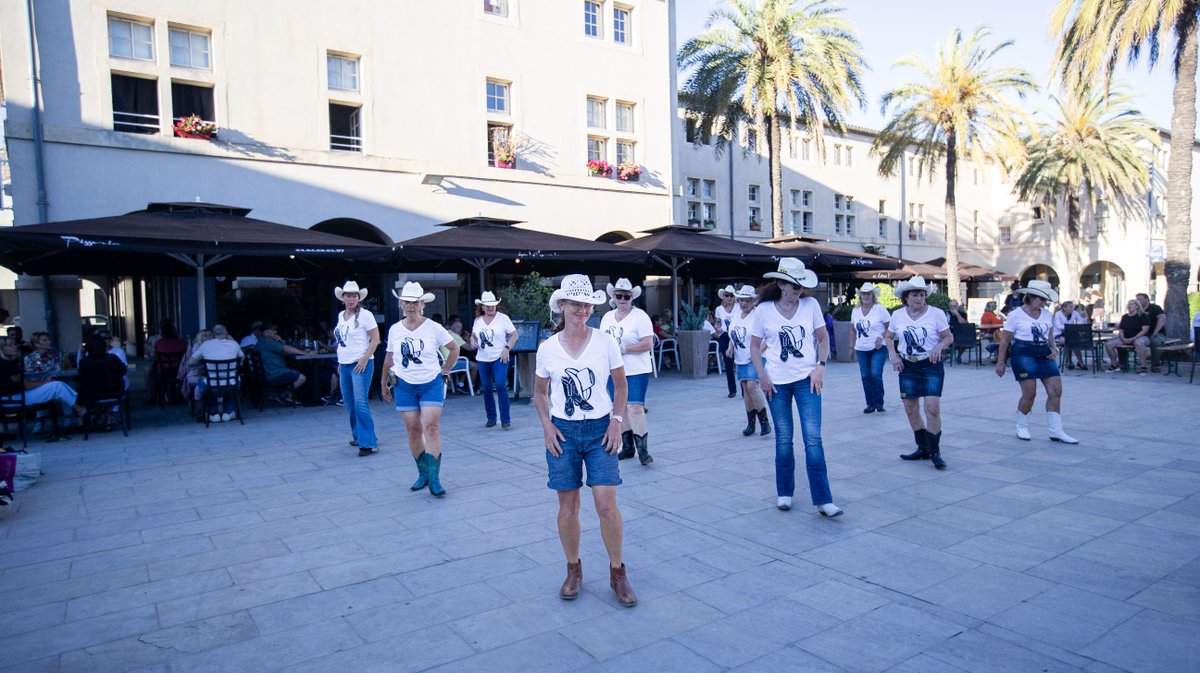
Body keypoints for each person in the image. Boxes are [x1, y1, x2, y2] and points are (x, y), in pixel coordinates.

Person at [534, 274, 636, 607]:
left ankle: (618, 572)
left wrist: (617, 422)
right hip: (563, 431)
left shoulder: (605, 342)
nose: (581, 310)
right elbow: (539, 393)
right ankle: (574, 569)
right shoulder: (547, 348)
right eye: (575, 303)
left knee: (606, 505)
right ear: (561, 306)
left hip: (599, 431)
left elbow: (621, 386)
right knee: (568, 506)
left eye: (586, 304)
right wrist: (547, 425)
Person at [749, 258, 842, 516]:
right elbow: (755, 348)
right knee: (784, 439)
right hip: (776, 382)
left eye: (801, 284)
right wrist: (762, 376)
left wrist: (820, 366)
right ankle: (785, 492)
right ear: (781, 284)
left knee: (813, 439)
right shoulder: (764, 310)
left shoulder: (810, 305)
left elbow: (823, 339)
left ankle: (824, 500)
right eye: (793, 284)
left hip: (807, 380)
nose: (798, 289)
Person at [381, 282, 458, 497]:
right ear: (401, 304)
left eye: (414, 302)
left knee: (431, 428)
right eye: (406, 302)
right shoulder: (395, 329)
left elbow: (454, 348)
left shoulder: (433, 327)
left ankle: (434, 478)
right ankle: (422, 472)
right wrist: (383, 382)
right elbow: (389, 357)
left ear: (422, 304)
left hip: (430, 382)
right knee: (413, 429)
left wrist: (445, 370)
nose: (410, 306)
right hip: (404, 384)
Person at [995, 281, 1078, 443]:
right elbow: (1005, 339)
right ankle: (1022, 426)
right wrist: (1000, 362)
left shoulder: (1047, 314)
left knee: (1056, 390)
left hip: (1044, 352)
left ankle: (1056, 430)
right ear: (1031, 298)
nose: (1044, 303)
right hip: (1023, 352)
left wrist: (1054, 349)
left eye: (1045, 300)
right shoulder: (1015, 315)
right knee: (1030, 392)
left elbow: (1050, 335)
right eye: (1041, 299)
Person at [884, 276, 953, 470]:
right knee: (910, 408)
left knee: (932, 408)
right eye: (915, 295)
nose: (919, 298)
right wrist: (893, 354)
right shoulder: (897, 315)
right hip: (907, 365)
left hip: (931, 364)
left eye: (922, 295)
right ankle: (923, 448)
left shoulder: (936, 314)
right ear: (906, 297)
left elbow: (948, 337)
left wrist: (939, 346)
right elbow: (889, 337)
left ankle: (935, 451)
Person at [600, 278, 654, 465]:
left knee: (635, 407)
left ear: (632, 298)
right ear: (613, 297)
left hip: (636, 369)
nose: (623, 299)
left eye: (626, 296)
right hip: (614, 370)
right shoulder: (607, 317)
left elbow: (648, 343)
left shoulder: (641, 317)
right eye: (619, 295)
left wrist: (623, 349)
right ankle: (628, 447)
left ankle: (643, 450)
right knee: (620, 408)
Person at [332, 281, 381, 455]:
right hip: (345, 364)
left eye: (354, 296)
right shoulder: (341, 315)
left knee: (360, 403)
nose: (351, 298)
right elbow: (343, 341)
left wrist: (364, 359)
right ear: (343, 298)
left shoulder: (365, 315)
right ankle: (359, 436)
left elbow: (375, 339)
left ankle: (368, 442)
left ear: (358, 298)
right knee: (349, 402)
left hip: (361, 363)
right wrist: (340, 362)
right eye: (348, 295)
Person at [1, 335, 86, 422]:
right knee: (57, 386)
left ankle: (69, 415)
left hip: (6, 399)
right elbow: (27, 385)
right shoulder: (8, 364)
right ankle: (80, 410)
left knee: (59, 386)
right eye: (9, 345)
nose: (14, 347)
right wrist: (47, 381)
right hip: (14, 399)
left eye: (14, 344)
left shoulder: (6, 363)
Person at [471, 291, 518, 429]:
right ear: (482, 307)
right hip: (483, 358)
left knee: (500, 385)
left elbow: (514, 335)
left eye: (493, 305)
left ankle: (505, 419)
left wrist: (507, 348)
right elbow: (473, 335)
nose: (491, 307)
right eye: (488, 305)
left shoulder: (503, 318)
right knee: (486, 388)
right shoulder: (478, 320)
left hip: (500, 356)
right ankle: (491, 418)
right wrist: (472, 340)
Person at [727, 284, 769, 436]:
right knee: (745, 389)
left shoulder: (758, 316)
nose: (744, 304)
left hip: (755, 356)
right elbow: (733, 333)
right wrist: (730, 347)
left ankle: (764, 421)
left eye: (747, 301)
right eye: (741, 301)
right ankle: (751, 423)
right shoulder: (736, 315)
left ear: (753, 301)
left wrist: (758, 352)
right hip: (740, 357)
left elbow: (768, 338)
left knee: (752, 386)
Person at [188, 324, 245, 422]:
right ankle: (228, 411)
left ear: (213, 335)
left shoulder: (205, 345)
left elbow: (191, 362)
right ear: (226, 334)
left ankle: (213, 412)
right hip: (232, 384)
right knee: (233, 381)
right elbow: (242, 358)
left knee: (204, 382)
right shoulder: (234, 344)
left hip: (211, 385)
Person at [851, 283, 891, 414]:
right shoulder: (855, 311)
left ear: (873, 296)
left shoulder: (880, 310)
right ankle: (870, 404)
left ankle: (879, 403)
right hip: (861, 348)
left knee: (875, 374)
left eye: (868, 294)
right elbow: (852, 331)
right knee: (865, 376)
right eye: (864, 294)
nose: (866, 296)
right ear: (860, 296)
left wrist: (881, 337)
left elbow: (889, 327)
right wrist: (851, 348)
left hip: (878, 348)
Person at [76, 332, 128, 427]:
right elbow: (123, 371)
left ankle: (91, 416)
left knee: (78, 390)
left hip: (93, 394)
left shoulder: (85, 363)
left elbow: (81, 378)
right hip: (114, 392)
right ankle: (107, 417)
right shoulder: (113, 359)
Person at [257, 323, 310, 404]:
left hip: (269, 372)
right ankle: (283, 395)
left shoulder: (262, 341)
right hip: (275, 373)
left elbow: (285, 351)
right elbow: (287, 349)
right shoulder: (267, 342)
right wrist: (306, 354)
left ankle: (288, 395)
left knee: (297, 370)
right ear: (266, 332)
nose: (275, 332)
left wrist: (281, 340)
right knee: (302, 377)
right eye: (273, 330)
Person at [1104, 300, 1151, 374]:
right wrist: (1123, 338)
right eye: (1128, 305)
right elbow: (1121, 329)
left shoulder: (1143, 316)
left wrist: (1134, 338)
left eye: (1131, 304)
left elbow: (1145, 330)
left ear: (1137, 306)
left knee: (1138, 343)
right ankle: (1114, 364)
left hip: (1140, 337)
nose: (1129, 306)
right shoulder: (1125, 317)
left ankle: (1143, 367)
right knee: (1108, 344)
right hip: (1126, 338)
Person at [714, 285, 738, 398]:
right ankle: (732, 390)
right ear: (723, 297)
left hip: (737, 335)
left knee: (740, 361)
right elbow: (717, 323)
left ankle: (745, 389)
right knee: (728, 364)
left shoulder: (738, 307)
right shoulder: (719, 309)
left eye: (731, 295)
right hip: (725, 335)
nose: (729, 297)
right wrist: (718, 328)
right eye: (727, 295)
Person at [1052, 300, 1088, 370]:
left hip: (1070, 333)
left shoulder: (1074, 313)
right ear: (1064, 308)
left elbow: (1081, 322)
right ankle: (1073, 362)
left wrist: (1085, 317)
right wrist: (1071, 327)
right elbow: (1058, 326)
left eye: (1072, 306)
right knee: (1070, 342)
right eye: (1070, 307)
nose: (1072, 308)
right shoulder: (1058, 314)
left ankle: (1076, 362)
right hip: (1059, 334)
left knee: (1072, 342)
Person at [1135, 293, 1166, 372]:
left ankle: (1155, 365)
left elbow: (1162, 318)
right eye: (1137, 299)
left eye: (1140, 299)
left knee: (1155, 342)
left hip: (1157, 334)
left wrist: (1156, 331)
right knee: (1122, 340)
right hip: (1143, 335)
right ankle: (1122, 364)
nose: (1137, 301)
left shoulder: (1155, 308)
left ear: (1146, 299)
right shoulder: (1137, 310)